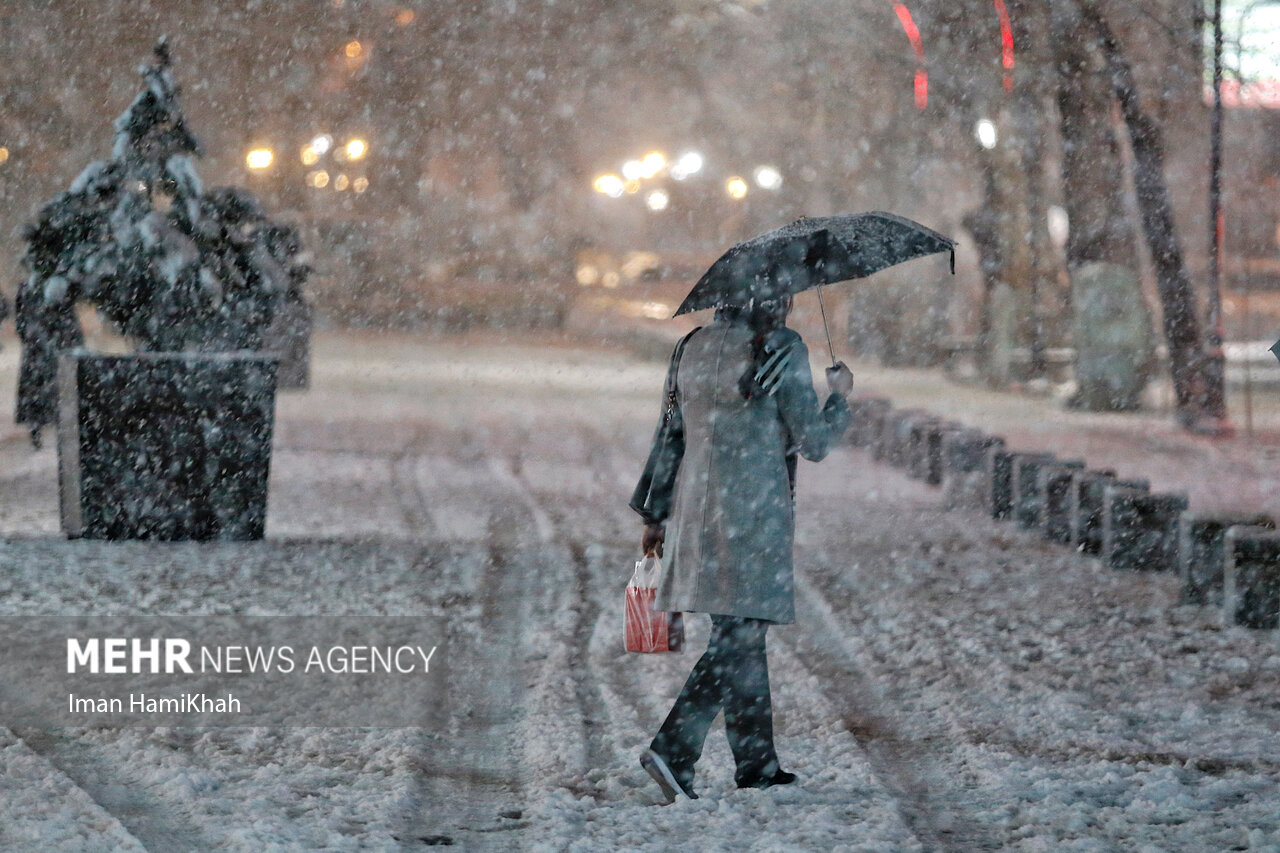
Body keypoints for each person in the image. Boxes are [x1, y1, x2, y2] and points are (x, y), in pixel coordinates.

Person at [631, 293, 853, 802]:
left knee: (740, 634)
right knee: (739, 636)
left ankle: (757, 764)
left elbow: (672, 431)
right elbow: (814, 441)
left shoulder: (690, 346)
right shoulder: (778, 346)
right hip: (750, 514)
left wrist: (656, 512)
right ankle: (674, 749)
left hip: (696, 509)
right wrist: (840, 394)